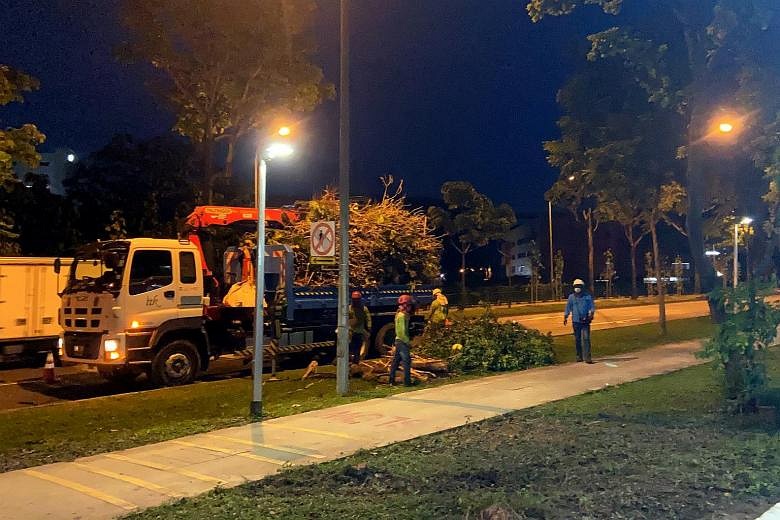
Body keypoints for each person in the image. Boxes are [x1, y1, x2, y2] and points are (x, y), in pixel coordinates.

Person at [564, 278, 596, 363]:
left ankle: (588, 357)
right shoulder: (571, 297)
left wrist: (591, 314)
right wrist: (565, 316)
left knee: (586, 338)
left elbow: (592, 307)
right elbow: (568, 308)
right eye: (576, 286)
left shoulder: (587, 296)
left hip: (585, 321)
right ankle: (579, 356)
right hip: (576, 321)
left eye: (579, 286)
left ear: (582, 287)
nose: (577, 288)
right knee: (577, 339)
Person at [389, 294, 413, 386]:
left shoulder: (400, 315)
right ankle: (407, 382)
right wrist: (407, 342)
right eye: (410, 305)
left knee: (396, 361)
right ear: (406, 305)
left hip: (398, 340)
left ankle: (391, 380)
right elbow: (402, 331)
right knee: (406, 361)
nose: (411, 307)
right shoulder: (402, 316)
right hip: (402, 341)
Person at [348, 291, 372, 363]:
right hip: (353, 332)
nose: (355, 301)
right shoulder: (351, 308)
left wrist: (369, 327)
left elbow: (368, 319)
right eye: (354, 299)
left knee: (356, 348)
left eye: (356, 299)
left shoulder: (362, 309)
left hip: (356, 332)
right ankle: (353, 362)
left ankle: (354, 362)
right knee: (353, 348)